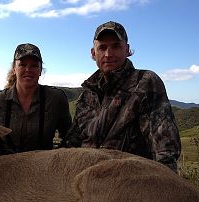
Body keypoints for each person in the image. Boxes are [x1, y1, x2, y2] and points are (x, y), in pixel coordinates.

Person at [64, 21, 181, 172]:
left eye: (116, 46)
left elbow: (165, 150)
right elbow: (73, 143)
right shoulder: (87, 95)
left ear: (127, 49)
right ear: (93, 53)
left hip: (128, 180)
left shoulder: (145, 82)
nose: (108, 54)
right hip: (85, 178)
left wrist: (164, 186)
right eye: (102, 47)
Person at [0, 43, 72, 157]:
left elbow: (69, 135)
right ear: (14, 69)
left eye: (34, 65)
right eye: (22, 65)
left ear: (40, 70)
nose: (28, 69)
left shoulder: (56, 99)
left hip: (44, 167)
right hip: (4, 166)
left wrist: (56, 160)